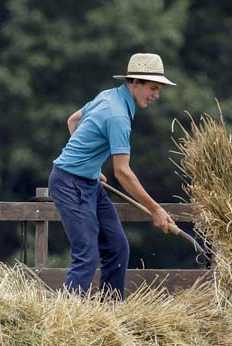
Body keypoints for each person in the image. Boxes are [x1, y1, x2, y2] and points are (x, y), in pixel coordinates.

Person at [48, 53, 177, 298]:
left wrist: (90, 168)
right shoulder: (118, 115)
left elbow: (73, 120)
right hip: (68, 183)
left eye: (158, 89)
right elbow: (122, 172)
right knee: (86, 254)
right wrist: (156, 209)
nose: (156, 95)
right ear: (135, 83)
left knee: (117, 248)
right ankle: (66, 318)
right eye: (153, 88)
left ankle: (110, 312)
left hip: (86, 182)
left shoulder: (109, 95)